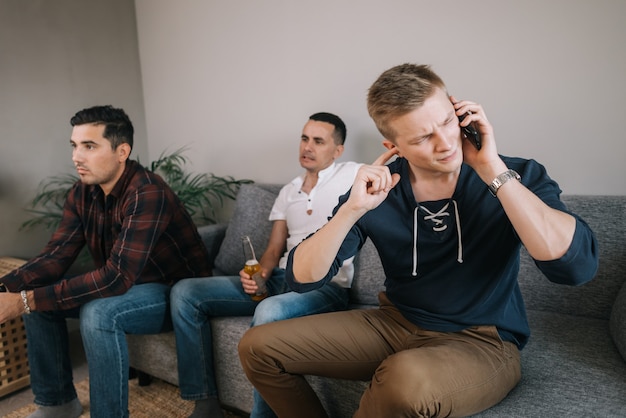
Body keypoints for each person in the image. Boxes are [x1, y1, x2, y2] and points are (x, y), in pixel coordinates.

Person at [238, 64, 599, 417]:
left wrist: (492, 170)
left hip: (481, 339)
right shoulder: (379, 188)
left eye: (446, 122)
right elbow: (303, 278)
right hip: (395, 322)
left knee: (403, 380)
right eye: (422, 138)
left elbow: (575, 268)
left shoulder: (516, 174)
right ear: (394, 146)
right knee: (257, 347)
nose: (445, 144)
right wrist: (352, 210)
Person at [0, 105, 211, 418]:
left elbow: (116, 278)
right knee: (38, 299)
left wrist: (23, 301)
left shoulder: (147, 192)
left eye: (89, 146)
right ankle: (58, 404)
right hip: (129, 286)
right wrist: (6, 288)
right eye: (74, 145)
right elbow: (56, 255)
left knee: (94, 312)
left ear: (121, 151)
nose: (76, 157)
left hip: (174, 292)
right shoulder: (82, 192)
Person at [171, 112, 361, 418]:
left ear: (337, 150)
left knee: (269, 310)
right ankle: (205, 403)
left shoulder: (352, 174)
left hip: (325, 286)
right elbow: (274, 249)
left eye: (318, 141)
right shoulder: (288, 191)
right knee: (186, 292)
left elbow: (395, 169)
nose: (307, 147)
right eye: (304, 138)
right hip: (281, 278)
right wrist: (259, 275)